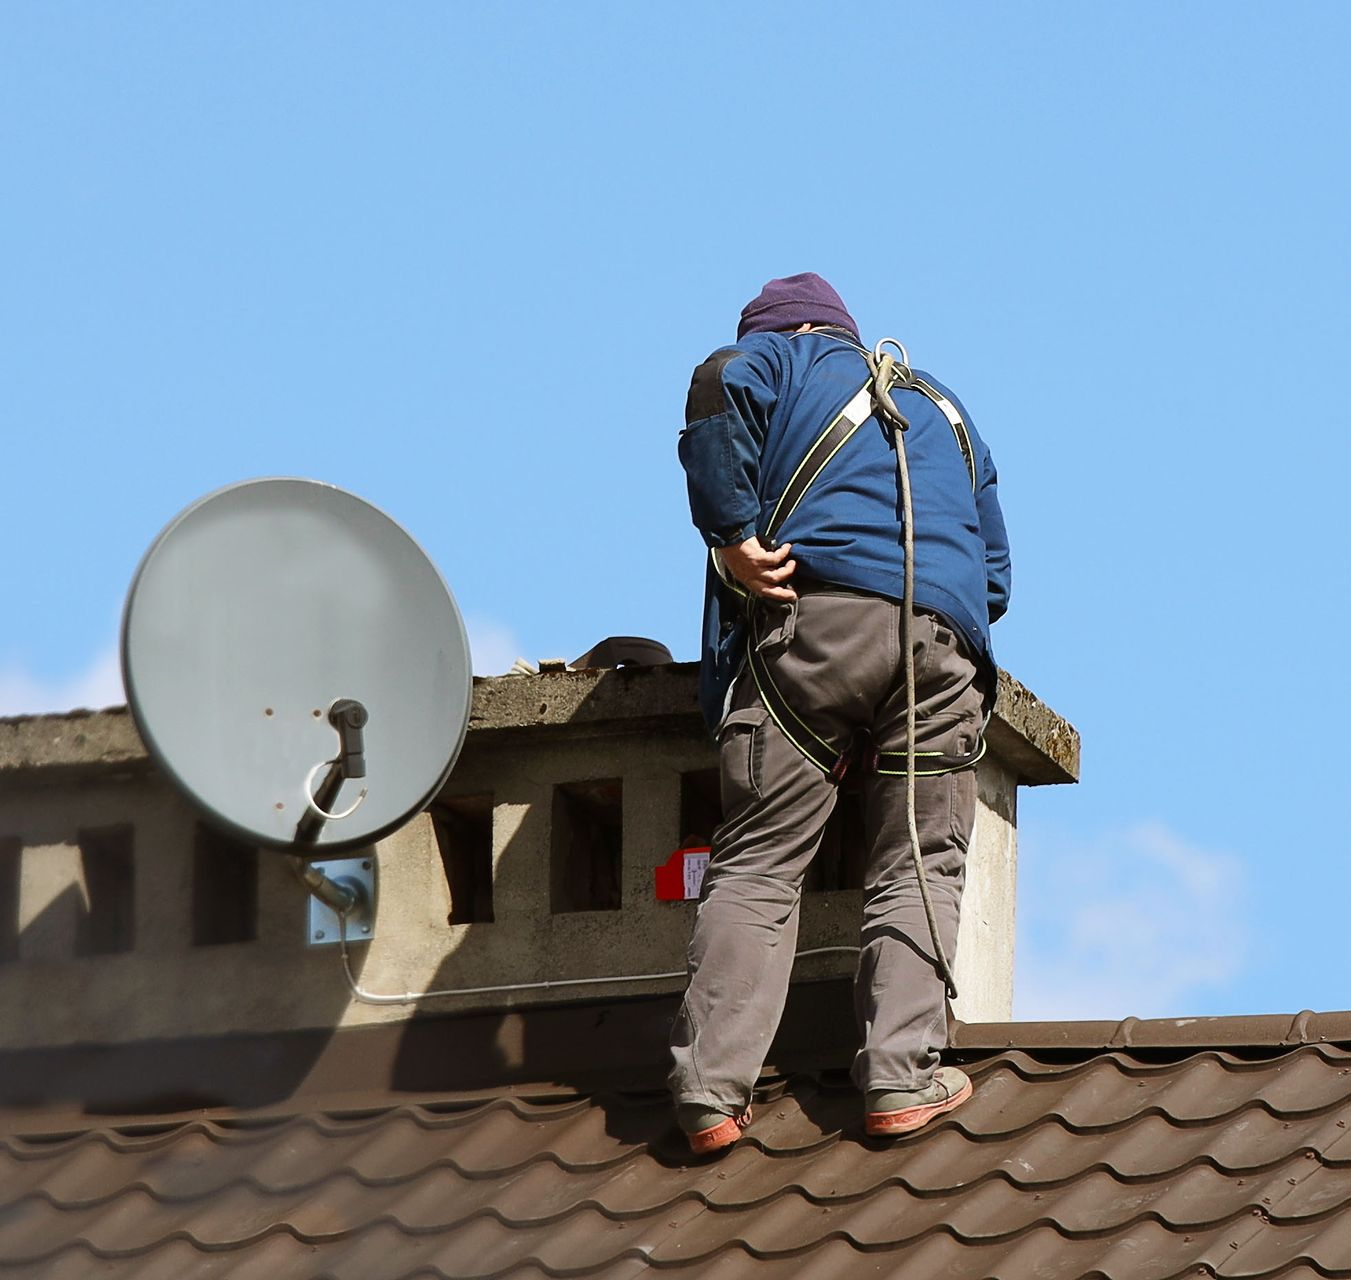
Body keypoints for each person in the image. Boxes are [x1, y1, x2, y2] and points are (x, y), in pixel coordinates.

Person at [669, 273, 1010, 1154]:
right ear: (848, 331)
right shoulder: (941, 405)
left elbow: (716, 388)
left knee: (756, 866)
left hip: (814, 634)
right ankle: (901, 1081)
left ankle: (711, 1096)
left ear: (778, 332)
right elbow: (996, 571)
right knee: (918, 862)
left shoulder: (772, 360)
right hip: (943, 645)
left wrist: (732, 534)